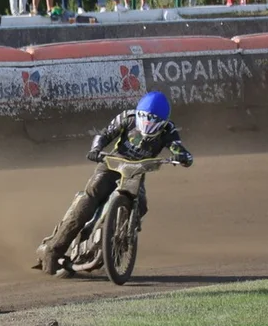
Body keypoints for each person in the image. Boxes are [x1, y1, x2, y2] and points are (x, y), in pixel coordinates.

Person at [34, 91, 193, 275]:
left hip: (137, 172)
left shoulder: (169, 130)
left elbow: (177, 147)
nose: (149, 123)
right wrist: (96, 149)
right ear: (139, 113)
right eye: (146, 118)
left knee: (141, 205)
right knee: (88, 200)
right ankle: (53, 251)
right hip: (112, 165)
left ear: (163, 121)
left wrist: (183, 157)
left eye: (154, 120)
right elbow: (105, 134)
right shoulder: (127, 118)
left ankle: (118, 248)